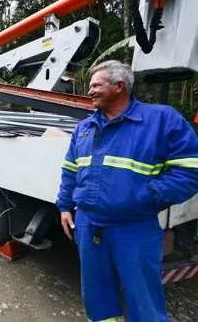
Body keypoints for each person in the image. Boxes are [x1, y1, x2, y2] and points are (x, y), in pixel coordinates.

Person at [56, 60, 198, 321]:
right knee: (96, 293)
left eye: (96, 85)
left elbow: (190, 171)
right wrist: (65, 206)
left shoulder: (161, 120)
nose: (90, 91)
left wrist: (145, 197)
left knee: (143, 297)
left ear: (119, 86)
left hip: (134, 226)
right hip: (88, 225)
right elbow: (70, 171)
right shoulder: (84, 128)